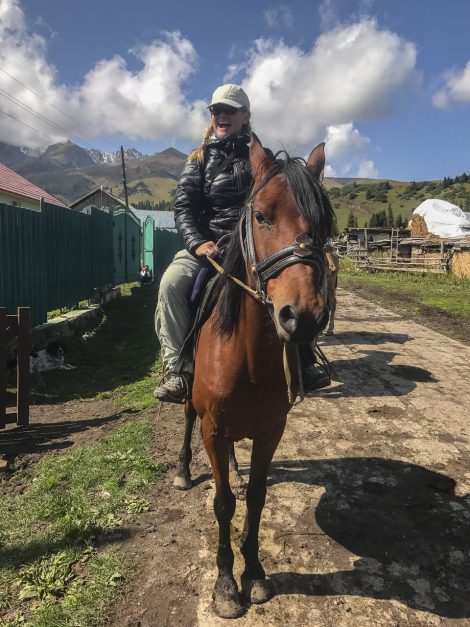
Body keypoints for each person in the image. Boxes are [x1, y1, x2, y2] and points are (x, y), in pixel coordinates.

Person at [154, 83, 330, 403]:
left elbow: (281, 203)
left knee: (302, 282)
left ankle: (305, 356)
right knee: (170, 284)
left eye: (229, 111)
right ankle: (178, 369)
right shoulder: (199, 159)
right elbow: (184, 208)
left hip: (256, 246)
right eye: (216, 110)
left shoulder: (260, 160)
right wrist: (197, 244)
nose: (221, 115)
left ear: (245, 116)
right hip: (212, 245)